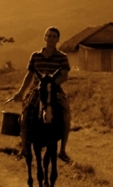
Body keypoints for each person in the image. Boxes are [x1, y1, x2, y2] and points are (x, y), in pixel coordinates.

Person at [6, 26, 72, 163]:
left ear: (58, 39)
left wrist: (51, 85)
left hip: (55, 90)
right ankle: (24, 148)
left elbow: (64, 76)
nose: (51, 38)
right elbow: (29, 75)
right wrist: (20, 92)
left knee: (66, 115)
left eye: (54, 36)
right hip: (36, 90)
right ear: (45, 38)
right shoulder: (35, 56)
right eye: (49, 36)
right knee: (24, 115)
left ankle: (62, 150)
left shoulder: (62, 57)